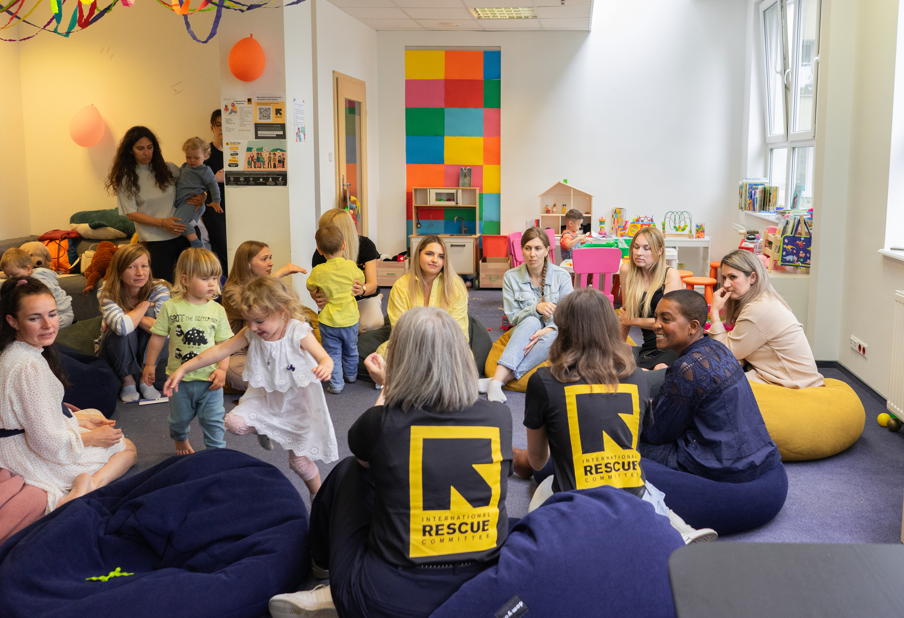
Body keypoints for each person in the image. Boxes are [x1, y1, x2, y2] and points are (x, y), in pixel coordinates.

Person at [268, 308, 512, 618]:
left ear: (400, 359)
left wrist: (388, 388)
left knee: (351, 470)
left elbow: (366, 456)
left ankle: (324, 572)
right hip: (483, 593)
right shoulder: (500, 415)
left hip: (385, 600)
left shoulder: (381, 422)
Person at [164, 276, 337, 498]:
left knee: (299, 463)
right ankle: (264, 428)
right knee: (234, 424)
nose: (252, 327)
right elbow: (219, 351)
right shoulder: (251, 332)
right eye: (248, 321)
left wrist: (325, 365)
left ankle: (318, 497)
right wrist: (183, 369)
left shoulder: (297, 331)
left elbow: (325, 357)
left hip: (298, 407)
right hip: (266, 399)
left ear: (281, 312)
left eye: (259, 321)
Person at [0, 277, 136, 513]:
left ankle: (87, 476)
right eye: (34, 318)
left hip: (18, 439)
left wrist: (79, 421)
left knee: (92, 414)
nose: (48, 325)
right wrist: (93, 438)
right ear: (13, 321)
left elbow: (28, 415)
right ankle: (89, 486)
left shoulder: (14, 352)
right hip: (24, 455)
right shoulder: (28, 366)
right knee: (128, 449)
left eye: (52, 314)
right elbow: (45, 442)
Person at [640, 290, 780, 484]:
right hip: (755, 456)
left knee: (624, 442)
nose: (656, 325)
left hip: (725, 468)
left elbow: (657, 434)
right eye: (656, 317)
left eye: (666, 319)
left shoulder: (687, 368)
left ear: (693, 326)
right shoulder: (717, 347)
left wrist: (636, 413)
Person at [142, 249, 232, 455]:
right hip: (179, 381)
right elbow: (157, 338)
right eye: (205, 278)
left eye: (215, 278)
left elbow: (224, 344)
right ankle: (180, 439)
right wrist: (150, 365)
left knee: (213, 419)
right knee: (179, 419)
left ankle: (216, 451)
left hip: (210, 380)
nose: (212, 284)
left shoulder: (217, 310)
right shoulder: (170, 307)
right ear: (185, 280)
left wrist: (223, 369)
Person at [709, 249, 824, 389]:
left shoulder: (758, 309)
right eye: (724, 277)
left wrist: (714, 312)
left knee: (710, 380)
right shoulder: (764, 299)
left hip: (791, 384)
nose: (726, 284)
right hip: (780, 375)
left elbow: (724, 354)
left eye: (732, 277)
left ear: (752, 277)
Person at [105, 126, 206, 283]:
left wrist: (203, 196)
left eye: (150, 147)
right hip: (157, 241)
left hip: (186, 234)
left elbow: (193, 186)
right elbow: (131, 214)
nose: (146, 153)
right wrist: (163, 223)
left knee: (196, 283)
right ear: (130, 150)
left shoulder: (170, 168)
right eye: (140, 148)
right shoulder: (126, 179)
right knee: (163, 287)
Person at [484, 227, 574, 404]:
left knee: (554, 337)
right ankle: (498, 381)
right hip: (525, 328)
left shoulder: (562, 276)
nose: (532, 254)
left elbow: (570, 316)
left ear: (547, 250)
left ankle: (498, 380)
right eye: (528, 248)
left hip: (554, 331)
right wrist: (536, 308)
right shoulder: (510, 277)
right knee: (532, 320)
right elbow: (513, 317)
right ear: (521, 250)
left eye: (538, 248)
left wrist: (548, 329)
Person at [221, 241, 310, 390]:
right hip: (242, 350)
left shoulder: (271, 286)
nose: (271, 263)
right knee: (234, 373)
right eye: (264, 259)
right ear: (248, 264)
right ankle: (279, 381)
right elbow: (258, 308)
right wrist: (276, 277)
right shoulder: (231, 291)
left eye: (270, 258)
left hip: (270, 346)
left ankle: (274, 380)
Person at [97, 244, 170, 403]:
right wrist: (143, 306)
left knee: (147, 316)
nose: (140, 273)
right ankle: (128, 381)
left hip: (148, 346)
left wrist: (131, 313)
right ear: (119, 271)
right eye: (131, 267)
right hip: (115, 347)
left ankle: (145, 379)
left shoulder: (159, 288)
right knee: (122, 326)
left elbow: (166, 330)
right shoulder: (106, 290)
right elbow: (122, 328)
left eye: (144, 266)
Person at [381, 235, 469, 355]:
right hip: (411, 345)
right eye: (429, 254)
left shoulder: (456, 286)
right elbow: (400, 329)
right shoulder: (401, 286)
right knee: (381, 354)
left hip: (446, 346)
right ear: (418, 255)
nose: (435, 260)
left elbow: (459, 331)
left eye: (441, 256)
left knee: (464, 356)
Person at [305, 226, 365, 395]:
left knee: (332, 353)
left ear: (319, 250)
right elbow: (361, 279)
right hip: (350, 319)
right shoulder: (351, 266)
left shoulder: (318, 270)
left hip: (329, 321)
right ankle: (351, 376)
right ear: (344, 245)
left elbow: (310, 285)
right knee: (351, 348)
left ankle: (337, 384)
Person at [618, 227, 684, 370]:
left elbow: (669, 322)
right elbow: (626, 315)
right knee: (629, 370)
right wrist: (616, 348)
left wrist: (633, 321)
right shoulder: (626, 270)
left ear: (660, 250)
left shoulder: (670, 275)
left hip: (673, 343)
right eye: (636, 247)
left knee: (660, 368)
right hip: (649, 345)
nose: (639, 253)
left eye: (646, 248)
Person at [309, 208, 380, 307]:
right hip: (336, 302)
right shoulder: (321, 253)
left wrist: (362, 290)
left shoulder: (366, 245)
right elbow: (314, 287)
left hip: (365, 298)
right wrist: (316, 296)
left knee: (373, 317)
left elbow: (372, 285)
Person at [1, 248, 74, 328]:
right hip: (48, 315)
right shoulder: (25, 277)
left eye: (14, 275)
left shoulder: (40, 282)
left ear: (29, 269)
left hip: (61, 316)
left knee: (29, 327)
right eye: (7, 275)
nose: (10, 279)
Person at [173, 137, 221, 249]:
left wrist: (216, 201)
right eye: (188, 157)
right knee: (187, 223)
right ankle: (198, 243)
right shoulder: (184, 166)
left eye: (196, 158)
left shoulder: (205, 171)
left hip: (193, 203)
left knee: (178, 221)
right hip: (183, 203)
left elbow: (213, 185)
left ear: (205, 156)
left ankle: (196, 243)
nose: (192, 161)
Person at [201, 109, 228, 276]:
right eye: (219, 125)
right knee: (224, 253)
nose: (222, 129)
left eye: (226, 124)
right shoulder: (205, 154)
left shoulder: (239, 151)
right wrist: (215, 179)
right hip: (215, 212)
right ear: (212, 128)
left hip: (239, 209)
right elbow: (192, 186)